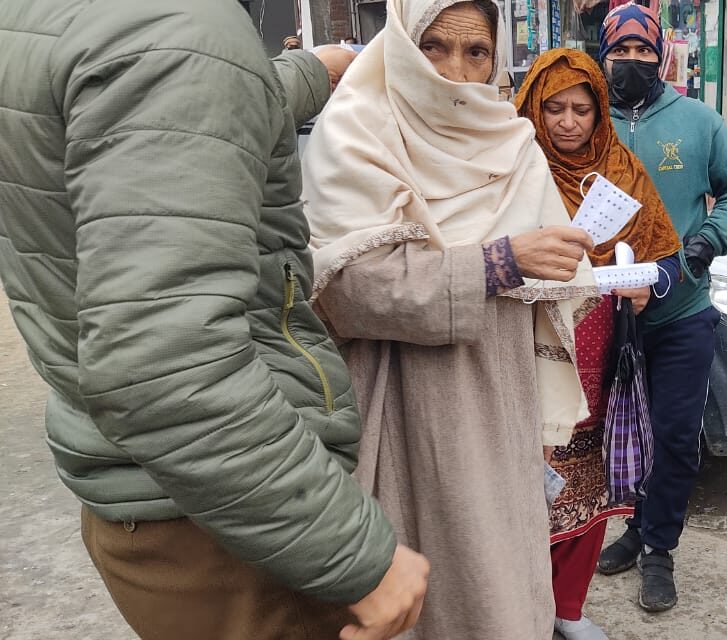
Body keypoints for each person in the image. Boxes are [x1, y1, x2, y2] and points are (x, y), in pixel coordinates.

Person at [0, 2, 429, 639]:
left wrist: (309, 70)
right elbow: (164, 367)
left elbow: (166, 112)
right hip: (225, 514)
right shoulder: (180, 32)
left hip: (147, 490)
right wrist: (352, 554)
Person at [301, 1, 599, 638]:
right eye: (434, 47)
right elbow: (344, 291)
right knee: (420, 595)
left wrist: (560, 266)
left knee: (500, 590)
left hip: (500, 405)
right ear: (403, 46)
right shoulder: (357, 132)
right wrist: (496, 263)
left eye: (477, 53)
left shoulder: (512, 143)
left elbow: (544, 289)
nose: (456, 73)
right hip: (402, 407)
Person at [592, 2, 727, 613]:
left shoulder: (696, 121)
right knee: (609, 434)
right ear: (604, 55)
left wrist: (706, 241)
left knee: (675, 436)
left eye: (643, 52)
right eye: (620, 52)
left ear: (661, 54)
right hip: (601, 315)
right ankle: (626, 525)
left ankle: (657, 545)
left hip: (682, 309)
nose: (632, 63)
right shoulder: (587, 119)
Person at [515, 48, 683, 640]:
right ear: (533, 108)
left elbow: (665, 256)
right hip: (526, 349)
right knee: (525, 476)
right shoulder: (509, 169)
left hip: (602, 350)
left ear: (599, 113)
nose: (567, 121)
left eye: (581, 109)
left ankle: (567, 607)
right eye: (553, 107)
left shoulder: (621, 168)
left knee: (587, 479)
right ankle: (520, 607)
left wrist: (643, 285)